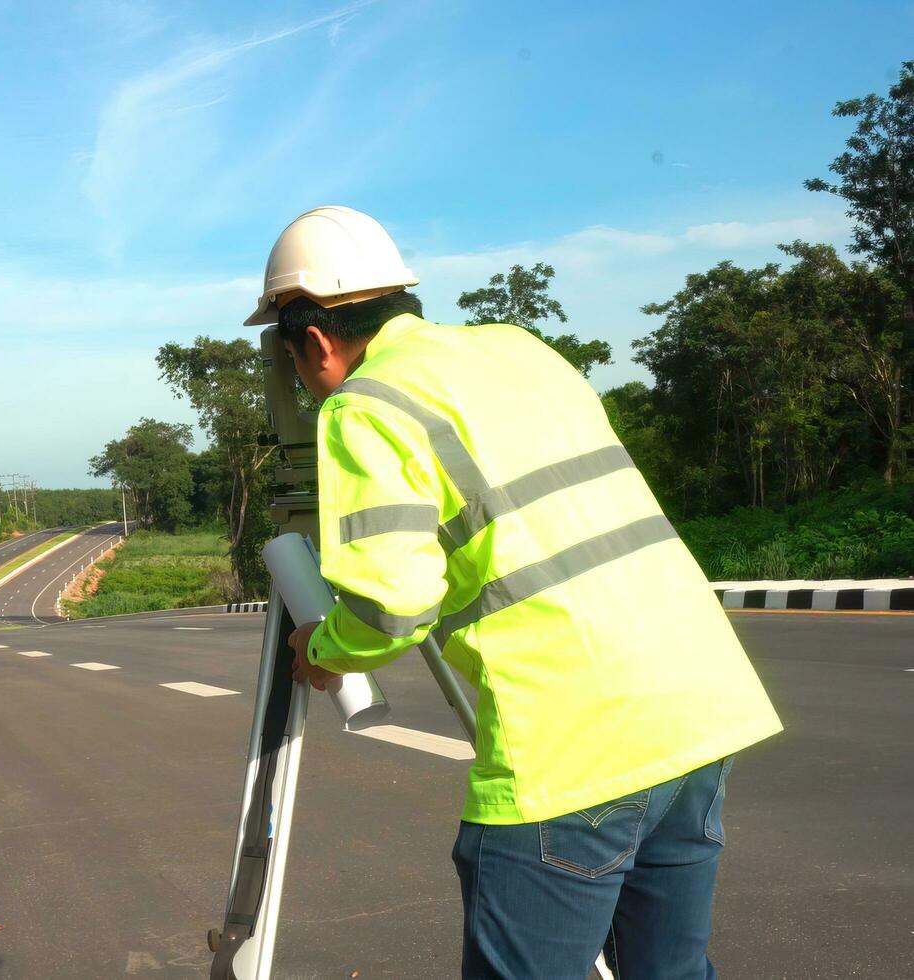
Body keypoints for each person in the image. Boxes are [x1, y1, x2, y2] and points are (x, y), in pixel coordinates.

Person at [248, 206, 783, 979]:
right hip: (698, 710)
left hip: (576, 744)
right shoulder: (518, 350)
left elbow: (390, 603)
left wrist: (325, 647)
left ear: (317, 340)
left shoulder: (365, 406)